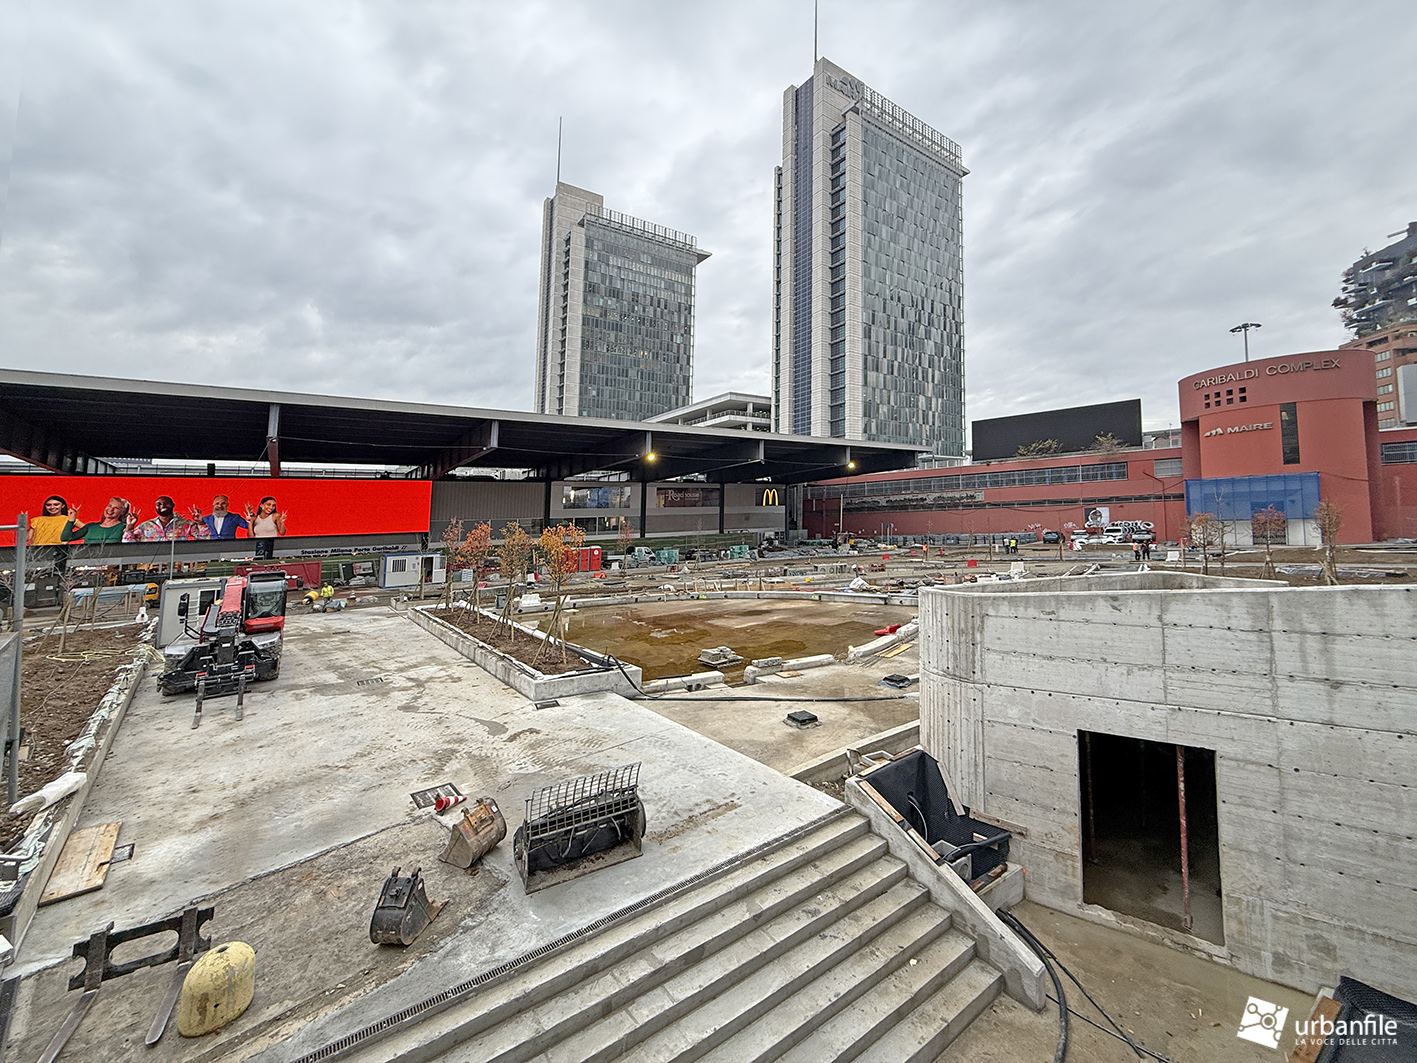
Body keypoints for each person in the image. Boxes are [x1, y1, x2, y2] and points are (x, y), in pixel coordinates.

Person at [125, 495, 203, 541]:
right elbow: (127, 543)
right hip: (152, 563)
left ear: (173, 505)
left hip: (177, 562)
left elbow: (205, 538)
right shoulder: (146, 526)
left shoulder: (186, 524)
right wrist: (130, 526)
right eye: (158, 504)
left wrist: (200, 522)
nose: (162, 506)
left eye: (166, 503)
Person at [63, 497, 130, 545]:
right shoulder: (91, 526)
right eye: (109, 506)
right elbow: (65, 538)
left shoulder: (121, 527)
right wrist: (71, 520)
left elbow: (109, 545)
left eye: (116, 508)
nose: (110, 510)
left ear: (123, 512)